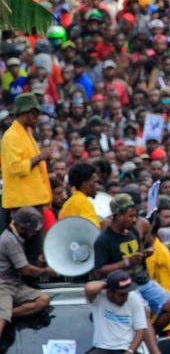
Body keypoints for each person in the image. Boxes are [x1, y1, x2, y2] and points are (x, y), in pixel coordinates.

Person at [93, 194, 170, 332]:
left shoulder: (132, 231)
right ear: (119, 215)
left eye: (135, 216)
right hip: (126, 286)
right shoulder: (103, 240)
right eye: (130, 216)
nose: (134, 220)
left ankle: (152, 334)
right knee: (143, 312)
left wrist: (144, 256)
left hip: (143, 280)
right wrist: (126, 262)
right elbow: (99, 270)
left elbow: (136, 257)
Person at [0, 207, 54, 342]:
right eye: (32, 231)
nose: (33, 234)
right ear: (22, 227)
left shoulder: (16, 238)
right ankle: (4, 315)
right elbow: (26, 270)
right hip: (3, 286)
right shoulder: (9, 240)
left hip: (15, 284)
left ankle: (7, 314)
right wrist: (46, 271)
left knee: (43, 300)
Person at [1, 93, 52, 226]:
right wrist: (41, 157)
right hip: (23, 202)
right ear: (25, 112)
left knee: (35, 245)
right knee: (31, 246)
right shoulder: (11, 136)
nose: (37, 118)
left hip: (32, 200)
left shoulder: (26, 132)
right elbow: (15, 167)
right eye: (34, 114)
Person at [84, 270, 147, 354]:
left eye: (127, 293)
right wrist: (109, 282)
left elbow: (140, 329)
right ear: (110, 293)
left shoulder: (135, 299)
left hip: (126, 348)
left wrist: (130, 351)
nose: (126, 298)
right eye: (122, 295)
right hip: (102, 347)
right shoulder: (98, 298)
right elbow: (89, 288)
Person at [59, 162, 101, 228]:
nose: (98, 187)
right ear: (84, 184)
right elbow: (91, 230)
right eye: (95, 182)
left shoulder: (67, 204)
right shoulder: (84, 203)